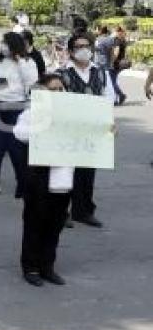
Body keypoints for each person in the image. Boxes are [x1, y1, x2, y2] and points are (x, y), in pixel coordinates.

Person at [13, 74, 75, 287]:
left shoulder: (71, 114)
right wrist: (42, 130)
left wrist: (106, 131)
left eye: (61, 89)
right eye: (53, 89)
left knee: (55, 224)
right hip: (39, 177)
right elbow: (19, 133)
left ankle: (47, 266)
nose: (58, 93)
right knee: (34, 223)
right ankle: (30, 267)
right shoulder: (32, 113)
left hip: (63, 178)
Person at [56, 32, 115, 228]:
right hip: (68, 132)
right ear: (71, 51)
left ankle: (83, 211)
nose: (83, 50)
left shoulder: (100, 72)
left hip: (92, 132)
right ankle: (61, 212)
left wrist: (109, 123)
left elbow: (108, 99)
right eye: (78, 47)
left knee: (87, 173)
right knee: (66, 172)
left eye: (86, 46)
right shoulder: (61, 73)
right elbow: (54, 101)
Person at [0, 32, 38, 197]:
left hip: (18, 107)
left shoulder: (28, 63)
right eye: (2, 43)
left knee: (16, 147)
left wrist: (20, 61)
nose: (3, 46)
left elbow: (32, 84)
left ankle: (21, 182)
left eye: (6, 42)